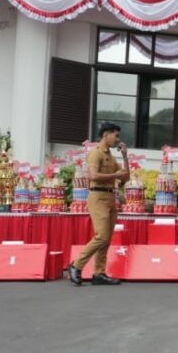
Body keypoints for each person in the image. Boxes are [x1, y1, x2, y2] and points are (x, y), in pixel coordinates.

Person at [68, 122, 129, 286]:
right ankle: (76, 265)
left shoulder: (110, 155)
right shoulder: (96, 154)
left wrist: (125, 157)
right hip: (98, 196)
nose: (117, 139)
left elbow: (125, 177)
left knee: (106, 238)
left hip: (110, 198)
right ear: (106, 135)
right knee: (101, 236)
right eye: (116, 135)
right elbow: (93, 175)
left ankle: (99, 273)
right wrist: (115, 174)